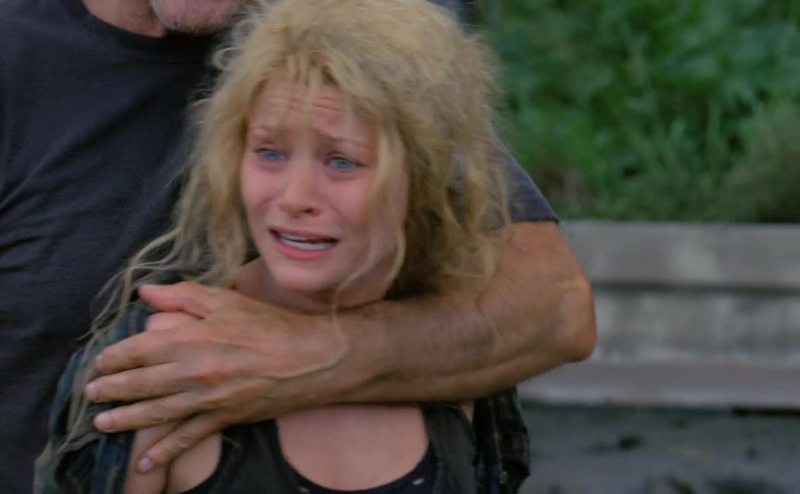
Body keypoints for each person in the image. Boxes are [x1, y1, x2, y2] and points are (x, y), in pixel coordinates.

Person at [0, 0, 595, 491]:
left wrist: (310, 354)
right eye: (269, 152)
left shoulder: (339, 41)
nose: (296, 195)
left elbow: (556, 310)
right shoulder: (17, 56)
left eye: (341, 160)